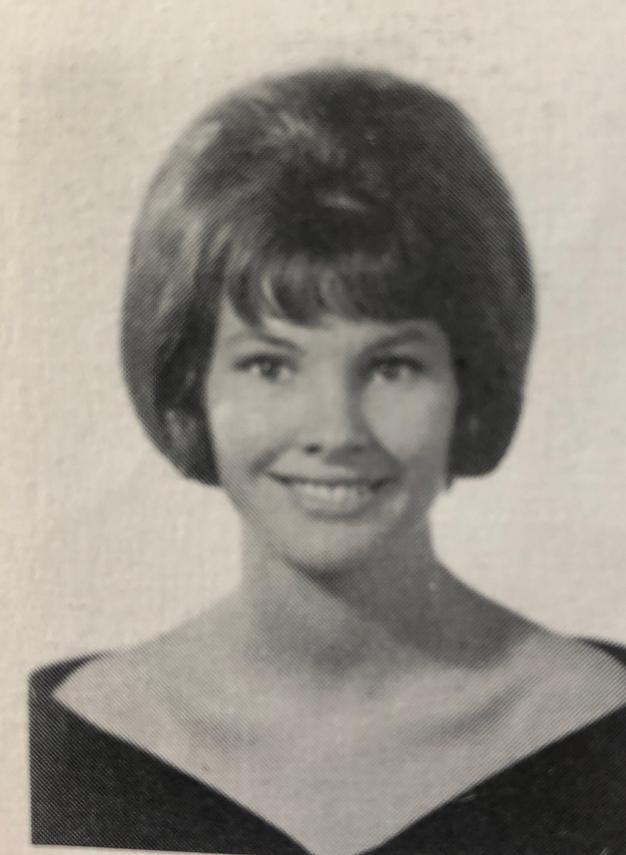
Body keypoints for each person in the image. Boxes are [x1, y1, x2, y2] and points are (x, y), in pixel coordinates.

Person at [30, 67, 626, 855]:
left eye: (392, 366)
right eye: (270, 365)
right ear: (190, 384)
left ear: (470, 385)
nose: (335, 429)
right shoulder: (73, 744)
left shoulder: (600, 729)